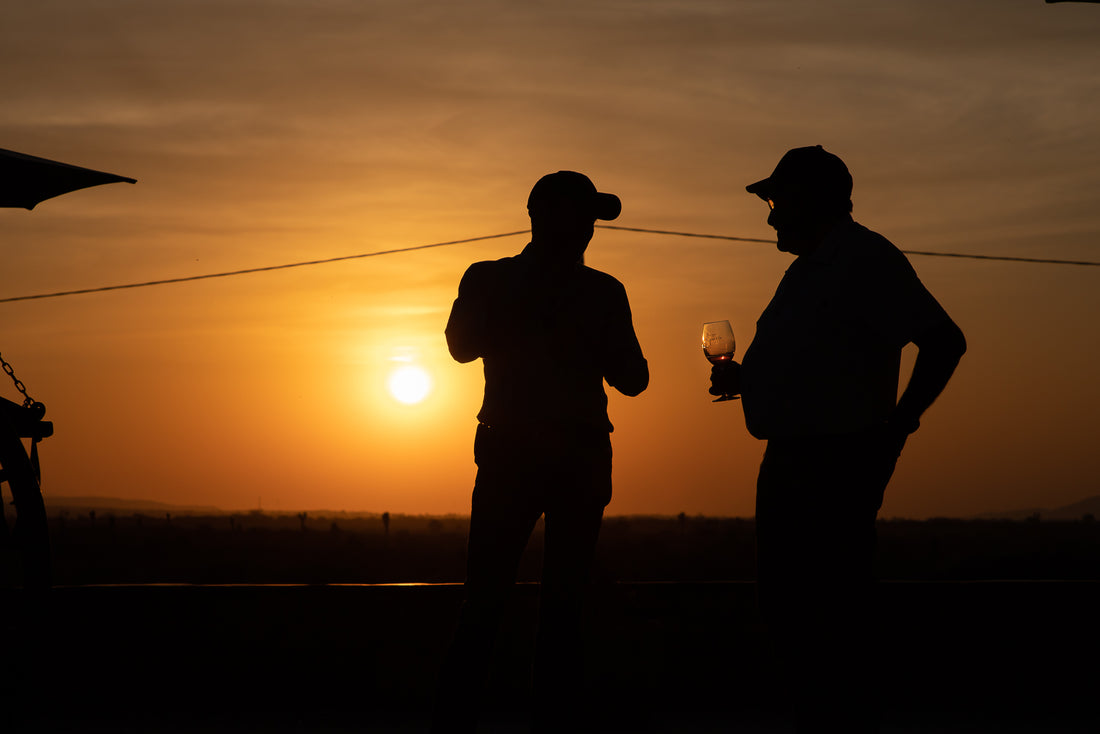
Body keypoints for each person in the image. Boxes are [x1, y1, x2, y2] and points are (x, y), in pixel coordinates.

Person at [710, 146, 966, 732]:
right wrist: (750, 378)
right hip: (799, 458)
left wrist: (899, 425)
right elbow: (818, 360)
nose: (771, 217)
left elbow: (944, 341)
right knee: (792, 610)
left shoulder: (866, 260)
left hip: (832, 462)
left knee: (821, 613)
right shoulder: (813, 267)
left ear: (812, 202)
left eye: (778, 202)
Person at [433, 171, 649, 734]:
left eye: (591, 223)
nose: (590, 233)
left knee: (494, 597)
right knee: (549, 603)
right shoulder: (598, 291)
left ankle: (461, 721)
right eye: (584, 220)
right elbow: (634, 378)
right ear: (551, 220)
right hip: (561, 453)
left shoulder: (496, 280)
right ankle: (543, 723)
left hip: (524, 452)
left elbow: (459, 348)